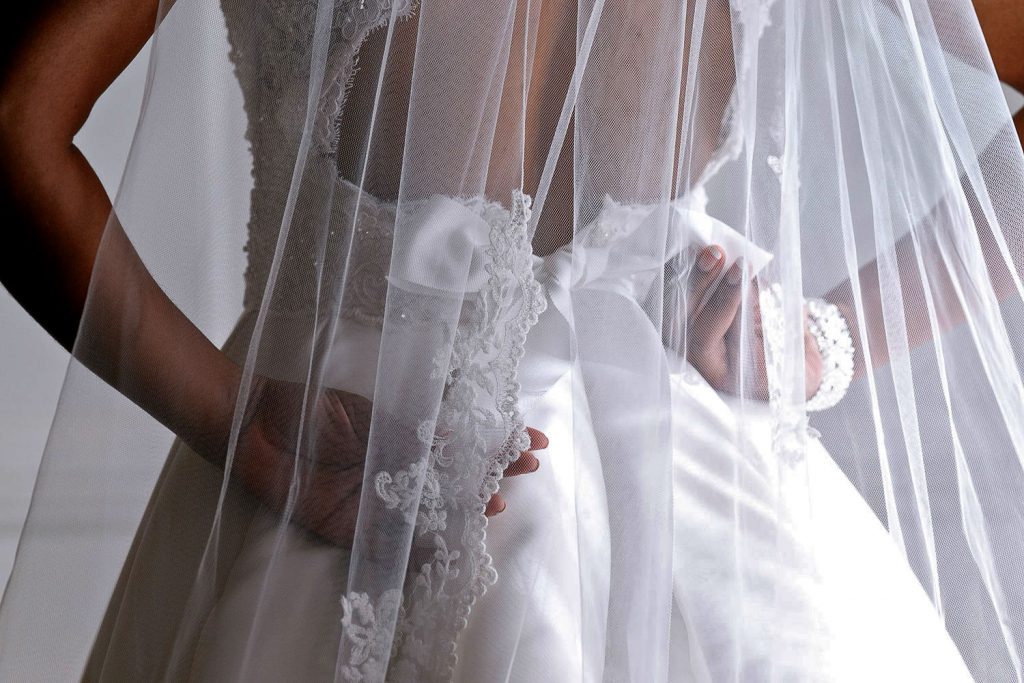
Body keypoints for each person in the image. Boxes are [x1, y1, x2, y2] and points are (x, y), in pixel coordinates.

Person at [1, 0, 1023, 680]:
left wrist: (234, 416)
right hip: (712, 510)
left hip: (346, 473)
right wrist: (818, 340)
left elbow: (15, 122)